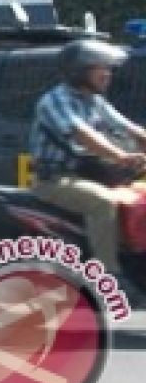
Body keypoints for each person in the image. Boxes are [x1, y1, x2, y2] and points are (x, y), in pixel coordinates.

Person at [29, 39, 146, 291]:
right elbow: (82, 134)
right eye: (99, 68)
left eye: (108, 68)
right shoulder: (56, 100)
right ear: (79, 70)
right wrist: (120, 156)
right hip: (54, 180)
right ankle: (109, 274)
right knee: (103, 201)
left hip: (90, 175)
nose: (107, 73)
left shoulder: (95, 101)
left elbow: (130, 129)